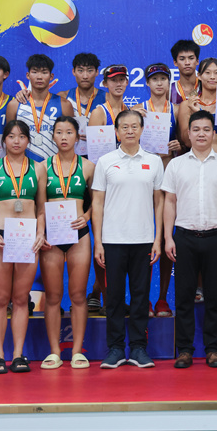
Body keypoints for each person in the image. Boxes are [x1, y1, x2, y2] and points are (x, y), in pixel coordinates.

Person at [163, 110, 217, 368]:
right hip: (184, 237)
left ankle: (213, 349)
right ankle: (185, 350)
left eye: (206, 129)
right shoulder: (176, 165)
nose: (201, 134)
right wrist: (168, 237)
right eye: (196, 129)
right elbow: (169, 202)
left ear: (213, 133)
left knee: (214, 297)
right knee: (184, 297)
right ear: (188, 133)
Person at [92, 110, 165, 369]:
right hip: (112, 240)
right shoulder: (105, 161)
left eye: (135, 126)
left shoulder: (154, 161)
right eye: (124, 127)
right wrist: (98, 242)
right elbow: (97, 203)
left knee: (140, 296)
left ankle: (138, 348)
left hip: (143, 239)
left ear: (142, 130)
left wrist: (157, 239)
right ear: (116, 132)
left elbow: (159, 202)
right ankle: (114, 348)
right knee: (113, 297)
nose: (130, 131)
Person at [0, 120, 45, 374]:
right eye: (11, 136)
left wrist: (40, 233)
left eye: (22, 136)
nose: (16, 141)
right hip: (0, 237)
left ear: (28, 140)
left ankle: (18, 355)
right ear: (4, 140)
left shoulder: (38, 169)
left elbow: (41, 208)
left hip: (27, 238)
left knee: (20, 298)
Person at [35, 117, 95, 370]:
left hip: (78, 236)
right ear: (53, 136)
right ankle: (54, 352)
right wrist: (41, 233)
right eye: (59, 132)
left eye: (69, 132)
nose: (63, 137)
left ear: (77, 137)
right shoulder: (42, 167)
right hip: (52, 237)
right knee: (53, 296)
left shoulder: (89, 167)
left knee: (78, 295)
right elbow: (39, 206)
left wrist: (87, 217)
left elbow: (97, 202)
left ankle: (78, 351)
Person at [135, 63, 183, 318]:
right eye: (154, 79)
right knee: (143, 239)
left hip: (168, 179)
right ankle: (142, 298)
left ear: (169, 82)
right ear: (147, 83)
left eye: (164, 79)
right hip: (142, 180)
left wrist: (179, 146)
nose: (159, 83)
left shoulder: (177, 109)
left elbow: (188, 143)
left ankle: (162, 298)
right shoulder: (138, 110)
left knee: (166, 239)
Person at [85, 64, 130, 313]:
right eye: (114, 80)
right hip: (104, 185)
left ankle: (103, 293)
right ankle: (105, 297)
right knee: (102, 241)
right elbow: (95, 158)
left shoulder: (130, 113)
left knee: (120, 242)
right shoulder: (99, 113)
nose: (118, 84)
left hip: (124, 185)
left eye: (122, 80)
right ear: (105, 84)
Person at [6, 54, 74, 163]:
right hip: (24, 166)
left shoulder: (64, 105)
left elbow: (71, 140)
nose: (39, 77)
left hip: (55, 167)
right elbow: (8, 140)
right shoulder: (14, 105)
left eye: (44, 72)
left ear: (51, 76)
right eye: (35, 72)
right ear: (28, 75)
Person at [61, 53, 106, 156]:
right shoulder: (63, 97)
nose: (85, 76)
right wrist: (25, 94)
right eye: (80, 71)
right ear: (73, 71)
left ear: (97, 72)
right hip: (69, 157)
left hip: (98, 156)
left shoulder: (107, 98)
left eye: (90, 71)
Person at [169, 39, 201, 106]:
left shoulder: (205, 87)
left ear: (197, 61)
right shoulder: (169, 90)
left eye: (191, 58)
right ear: (175, 62)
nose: (187, 63)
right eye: (182, 59)